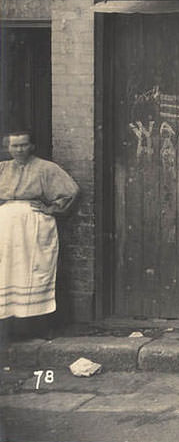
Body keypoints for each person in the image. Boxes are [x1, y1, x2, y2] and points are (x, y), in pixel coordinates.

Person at [0, 131, 79, 362]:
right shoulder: (3, 168)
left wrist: (52, 209)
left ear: (32, 146)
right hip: (5, 226)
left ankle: (38, 326)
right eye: (14, 146)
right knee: (6, 273)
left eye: (24, 145)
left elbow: (71, 191)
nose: (19, 150)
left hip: (32, 224)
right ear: (8, 147)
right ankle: (8, 328)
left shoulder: (46, 168)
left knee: (34, 272)